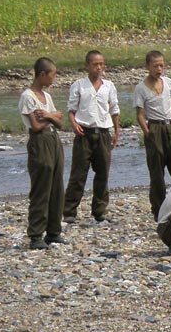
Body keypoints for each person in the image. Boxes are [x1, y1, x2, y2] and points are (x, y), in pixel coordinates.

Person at [63, 51, 120, 223]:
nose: (99, 68)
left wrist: (116, 131)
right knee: (78, 173)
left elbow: (114, 109)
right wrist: (73, 124)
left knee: (103, 173)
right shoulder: (79, 85)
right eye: (95, 64)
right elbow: (71, 110)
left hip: (103, 133)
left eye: (101, 64)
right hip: (84, 133)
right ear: (87, 65)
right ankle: (70, 211)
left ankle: (99, 210)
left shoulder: (108, 86)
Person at [135, 50, 171, 221]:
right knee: (157, 173)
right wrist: (147, 133)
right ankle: (159, 210)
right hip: (155, 128)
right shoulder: (141, 88)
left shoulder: (168, 83)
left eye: (162, 65)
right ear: (147, 67)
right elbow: (140, 114)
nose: (159, 69)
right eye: (155, 66)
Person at [18, 57, 67, 249]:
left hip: (53, 140)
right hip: (40, 143)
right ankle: (36, 234)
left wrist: (48, 115)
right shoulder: (28, 96)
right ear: (42, 74)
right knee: (41, 188)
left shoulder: (47, 97)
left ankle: (53, 232)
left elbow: (60, 122)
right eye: (52, 74)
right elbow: (36, 125)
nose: (54, 78)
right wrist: (51, 116)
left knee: (56, 187)